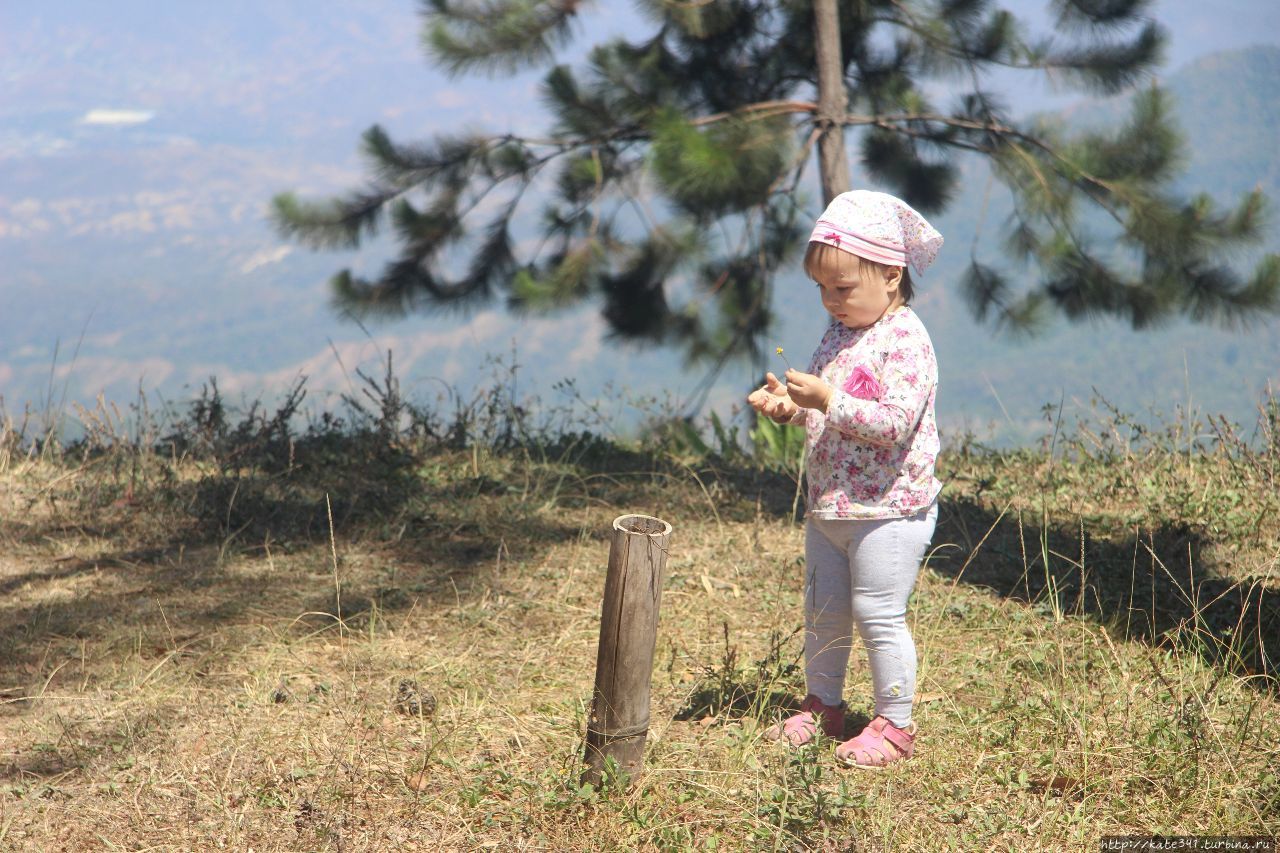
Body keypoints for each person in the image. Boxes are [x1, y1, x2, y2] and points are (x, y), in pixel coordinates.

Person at [747, 189, 943, 770]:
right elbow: (826, 410)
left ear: (890, 273)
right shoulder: (840, 334)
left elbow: (893, 422)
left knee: (879, 613)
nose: (831, 301)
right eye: (823, 289)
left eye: (843, 287)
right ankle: (823, 704)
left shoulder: (905, 339)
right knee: (824, 609)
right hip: (830, 505)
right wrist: (792, 406)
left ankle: (894, 723)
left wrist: (827, 396)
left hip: (888, 508)